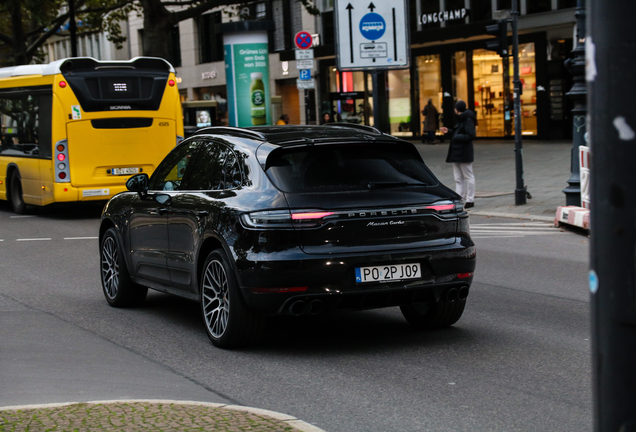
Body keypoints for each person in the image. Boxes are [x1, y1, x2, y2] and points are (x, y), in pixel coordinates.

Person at [440, 100, 476, 208]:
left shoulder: (466, 119)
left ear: (456, 109)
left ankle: (469, 199)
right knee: (459, 177)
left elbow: (470, 135)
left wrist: (455, 136)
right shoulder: (464, 118)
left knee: (467, 176)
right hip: (459, 151)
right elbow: (462, 132)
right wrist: (450, 132)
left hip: (462, 151)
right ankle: (460, 198)